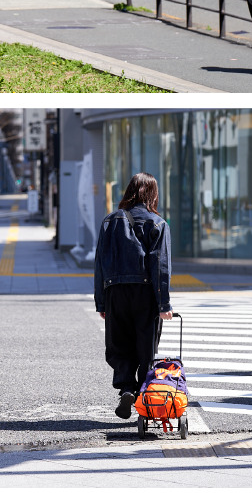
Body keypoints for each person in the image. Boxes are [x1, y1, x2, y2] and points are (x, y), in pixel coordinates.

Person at [94, 172, 173, 420]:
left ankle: (126, 388)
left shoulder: (109, 221)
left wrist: (101, 301)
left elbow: (100, 264)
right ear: (152, 194)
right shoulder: (157, 224)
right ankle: (142, 396)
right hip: (146, 294)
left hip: (115, 291)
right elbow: (160, 265)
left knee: (118, 346)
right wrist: (164, 303)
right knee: (145, 347)